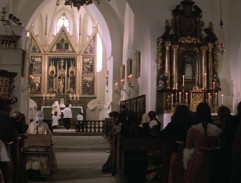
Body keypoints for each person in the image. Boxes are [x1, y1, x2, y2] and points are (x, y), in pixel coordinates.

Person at [183, 102, 222, 183]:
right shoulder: (216, 129)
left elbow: (188, 147)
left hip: (197, 160)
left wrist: (186, 162)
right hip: (213, 160)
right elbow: (218, 145)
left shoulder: (193, 129)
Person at [160, 105, 193, 183]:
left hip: (175, 153)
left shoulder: (172, 125)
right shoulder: (191, 126)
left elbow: (162, 135)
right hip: (190, 154)